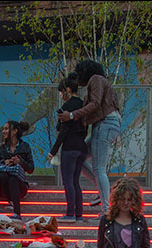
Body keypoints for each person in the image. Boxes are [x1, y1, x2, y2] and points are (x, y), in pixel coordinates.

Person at [60, 60, 122, 214]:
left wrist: (72, 115)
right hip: (103, 124)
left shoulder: (96, 79)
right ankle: (104, 191)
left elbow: (95, 104)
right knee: (80, 159)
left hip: (105, 123)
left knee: (99, 167)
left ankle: (108, 210)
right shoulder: (98, 82)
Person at [47, 76, 89, 221]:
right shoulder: (83, 105)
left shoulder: (67, 107)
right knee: (76, 181)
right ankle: (79, 214)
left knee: (68, 181)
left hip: (70, 147)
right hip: (81, 146)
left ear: (68, 90)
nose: (60, 95)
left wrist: (53, 151)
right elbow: (85, 128)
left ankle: (70, 213)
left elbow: (63, 131)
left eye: (61, 91)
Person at [0, 120, 34, 218]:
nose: (3, 132)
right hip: (3, 185)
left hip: (19, 186)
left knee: (13, 178)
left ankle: (17, 213)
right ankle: (10, 207)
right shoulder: (0, 148)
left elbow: (31, 168)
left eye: (6, 129)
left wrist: (20, 162)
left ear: (14, 131)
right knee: (4, 175)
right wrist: (4, 162)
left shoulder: (25, 146)